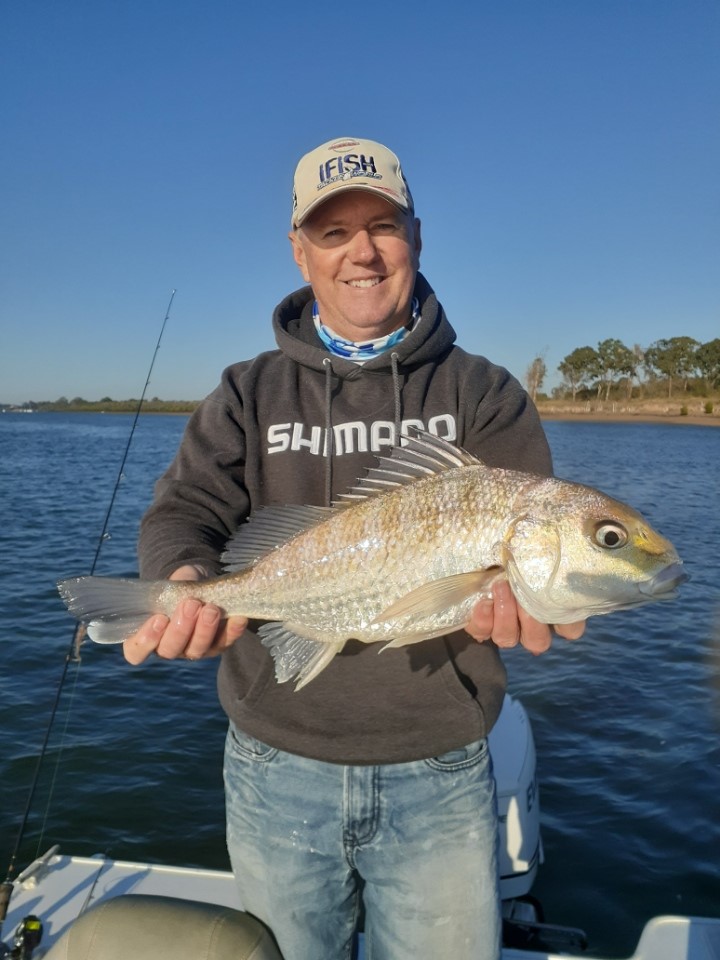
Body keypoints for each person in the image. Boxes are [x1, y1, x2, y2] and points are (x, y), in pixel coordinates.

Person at [124, 136, 585, 960]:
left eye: (383, 225)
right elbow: (186, 509)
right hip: (274, 764)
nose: (361, 252)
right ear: (300, 252)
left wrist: (524, 603)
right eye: (333, 233)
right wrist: (184, 577)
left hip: (441, 767)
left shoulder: (483, 392)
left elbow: (523, 561)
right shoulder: (246, 390)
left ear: (417, 234)